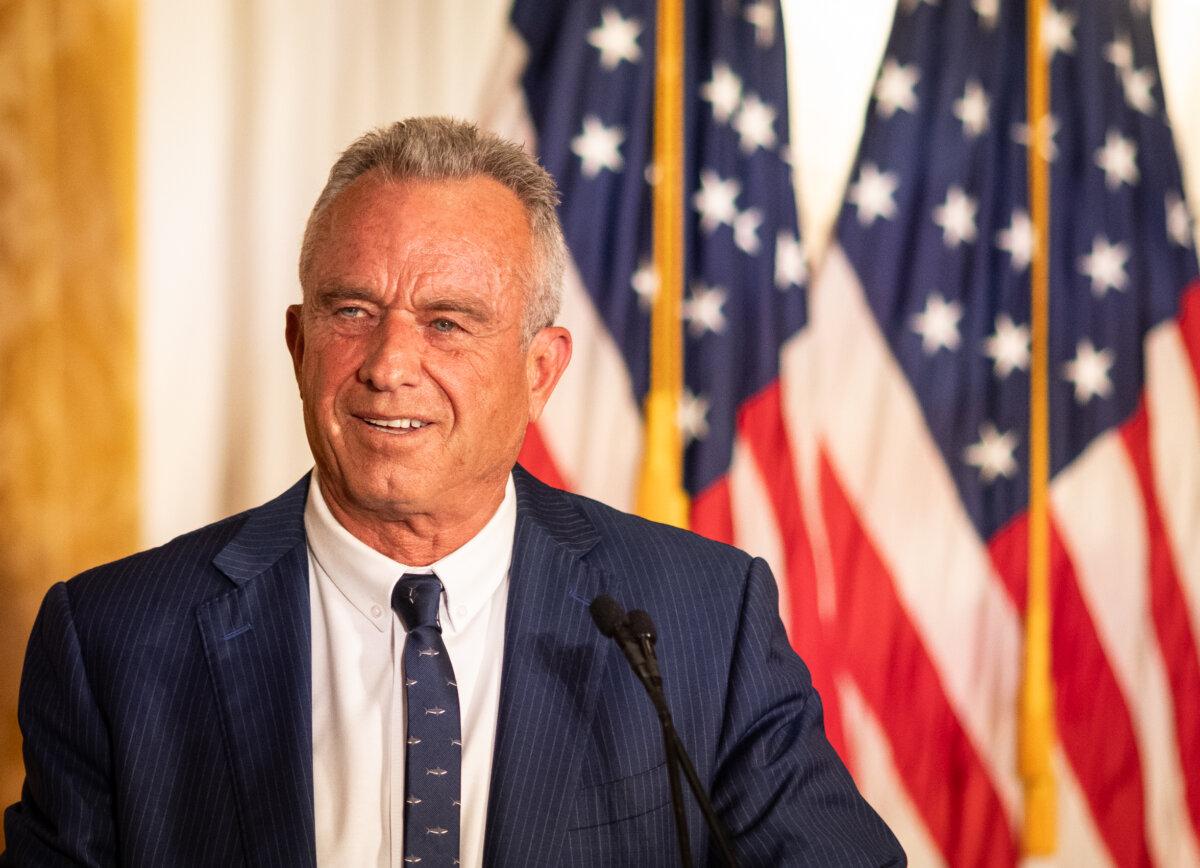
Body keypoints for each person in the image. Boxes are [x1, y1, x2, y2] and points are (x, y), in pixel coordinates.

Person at [2, 118, 903, 867]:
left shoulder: (702, 616)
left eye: (449, 323)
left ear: (540, 371)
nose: (391, 365)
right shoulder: (114, 640)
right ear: (299, 343)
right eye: (352, 311)